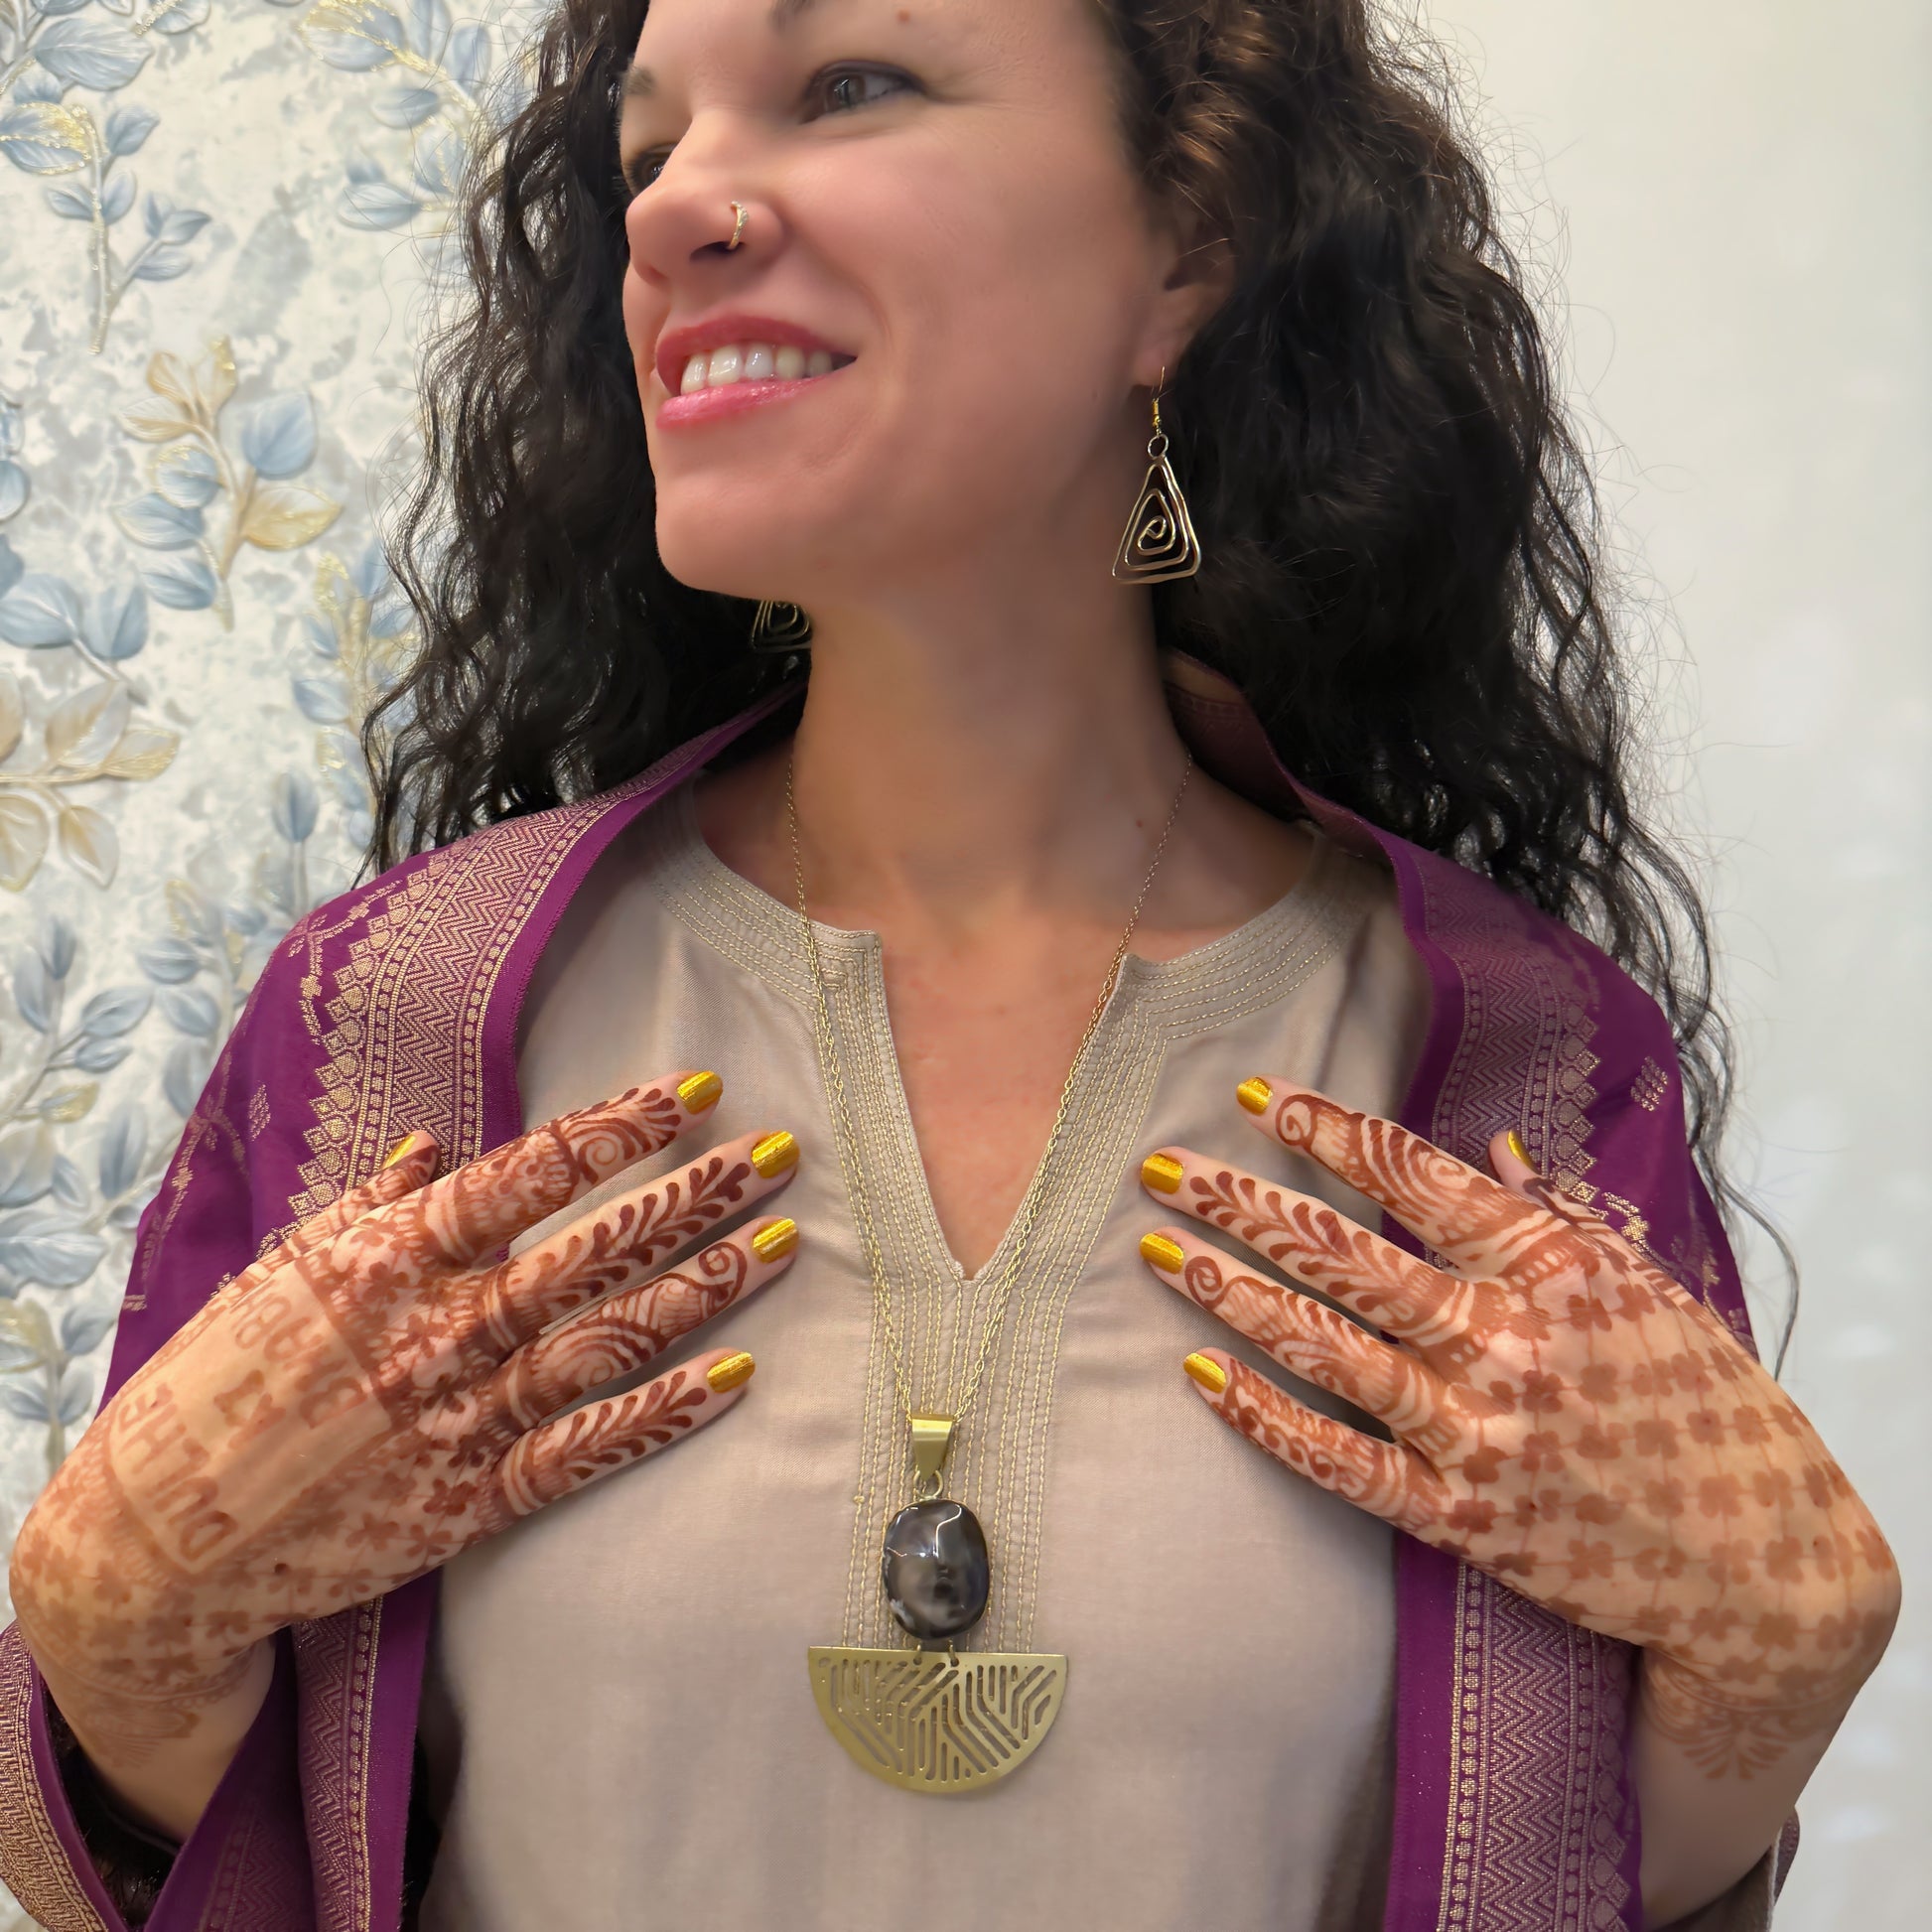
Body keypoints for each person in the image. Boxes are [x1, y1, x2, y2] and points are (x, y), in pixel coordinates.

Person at [0, 0, 1899, 1927]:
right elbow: (203, 1847)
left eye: (849, 85)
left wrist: (1773, 1669)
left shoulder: (1522, 1080)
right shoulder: (384, 1036)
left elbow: (1573, 1862)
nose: (672, 211)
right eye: (646, 150)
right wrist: (109, 1634)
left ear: (1186, 243)